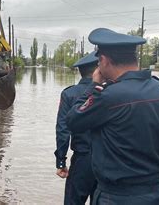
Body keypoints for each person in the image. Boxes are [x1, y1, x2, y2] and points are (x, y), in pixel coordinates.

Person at [66, 28, 159, 204]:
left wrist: (93, 86)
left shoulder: (109, 97)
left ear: (103, 60)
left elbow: (73, 120)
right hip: (154, 193)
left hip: (116, 196)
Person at [55, 51, 98, 205]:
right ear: (98, 69)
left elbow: (62, 129)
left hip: (82, 160)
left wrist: (61, 161)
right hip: (107, 160)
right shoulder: (110, 92)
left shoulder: (70, 94)